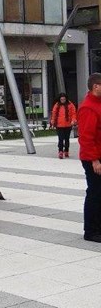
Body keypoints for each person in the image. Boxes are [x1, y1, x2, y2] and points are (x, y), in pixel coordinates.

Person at [78, 73, 101, 243]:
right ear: (96, 86)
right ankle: (91, 230)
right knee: (95, 193)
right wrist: (94, 160)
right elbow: (86, 137)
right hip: (94, 158)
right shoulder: (88, 107)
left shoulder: (98, 104)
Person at [51, 93, 77, 159]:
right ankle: (60, 151)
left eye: (64, 99)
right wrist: (52, 121)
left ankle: (66, 150)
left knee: (67, 139)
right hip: (59, 125)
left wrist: (73, 120)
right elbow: (54, 113)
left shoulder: (70, 105)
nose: (62, 100)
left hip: (68, 125)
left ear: (66, 99)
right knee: (60, 139)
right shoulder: (56, 105)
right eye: (61, 99)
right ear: (59, 99)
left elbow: (74, 113)